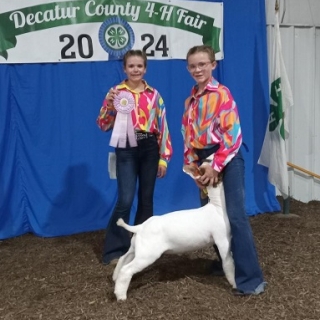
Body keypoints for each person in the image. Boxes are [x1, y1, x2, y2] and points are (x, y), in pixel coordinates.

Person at [181, 45, 266, 296]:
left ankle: (251, 280)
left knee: (236, 216)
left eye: (202, 64)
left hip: (227, 159)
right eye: (193, 66)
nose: (198, 69)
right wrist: (195, 170)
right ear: (188, 68)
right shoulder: (190, 100)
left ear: (213, 64)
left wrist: (215, 165)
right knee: (213, 216)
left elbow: (233, 136)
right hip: (203, 162)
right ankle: (223, 262)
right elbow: (187, 136)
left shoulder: (222, 94)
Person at [97, 49, 173, 265]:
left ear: (145, 68)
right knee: (125, 200)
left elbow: (163, 126)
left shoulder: (154, 95)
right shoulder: (116, 93)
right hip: (126, 147)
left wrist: (163, 157)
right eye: (131, 66)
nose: (136, 69)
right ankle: (114, 250)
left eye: (139, 66)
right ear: (125, 68)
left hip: (150, 147)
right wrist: (110, 106)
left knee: (146, 200)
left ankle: (143, 248)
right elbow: (103, 125)